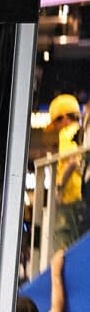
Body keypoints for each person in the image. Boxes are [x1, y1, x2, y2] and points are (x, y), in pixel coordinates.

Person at [46, 93, 86, 252]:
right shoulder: (81, 133)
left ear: (63, 118)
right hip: (80, 197)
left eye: (56, 123)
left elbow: (73, 161)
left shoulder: (67, 133)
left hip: (70, 199)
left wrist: (59, 187)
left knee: (64, 243)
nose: (56, 128)